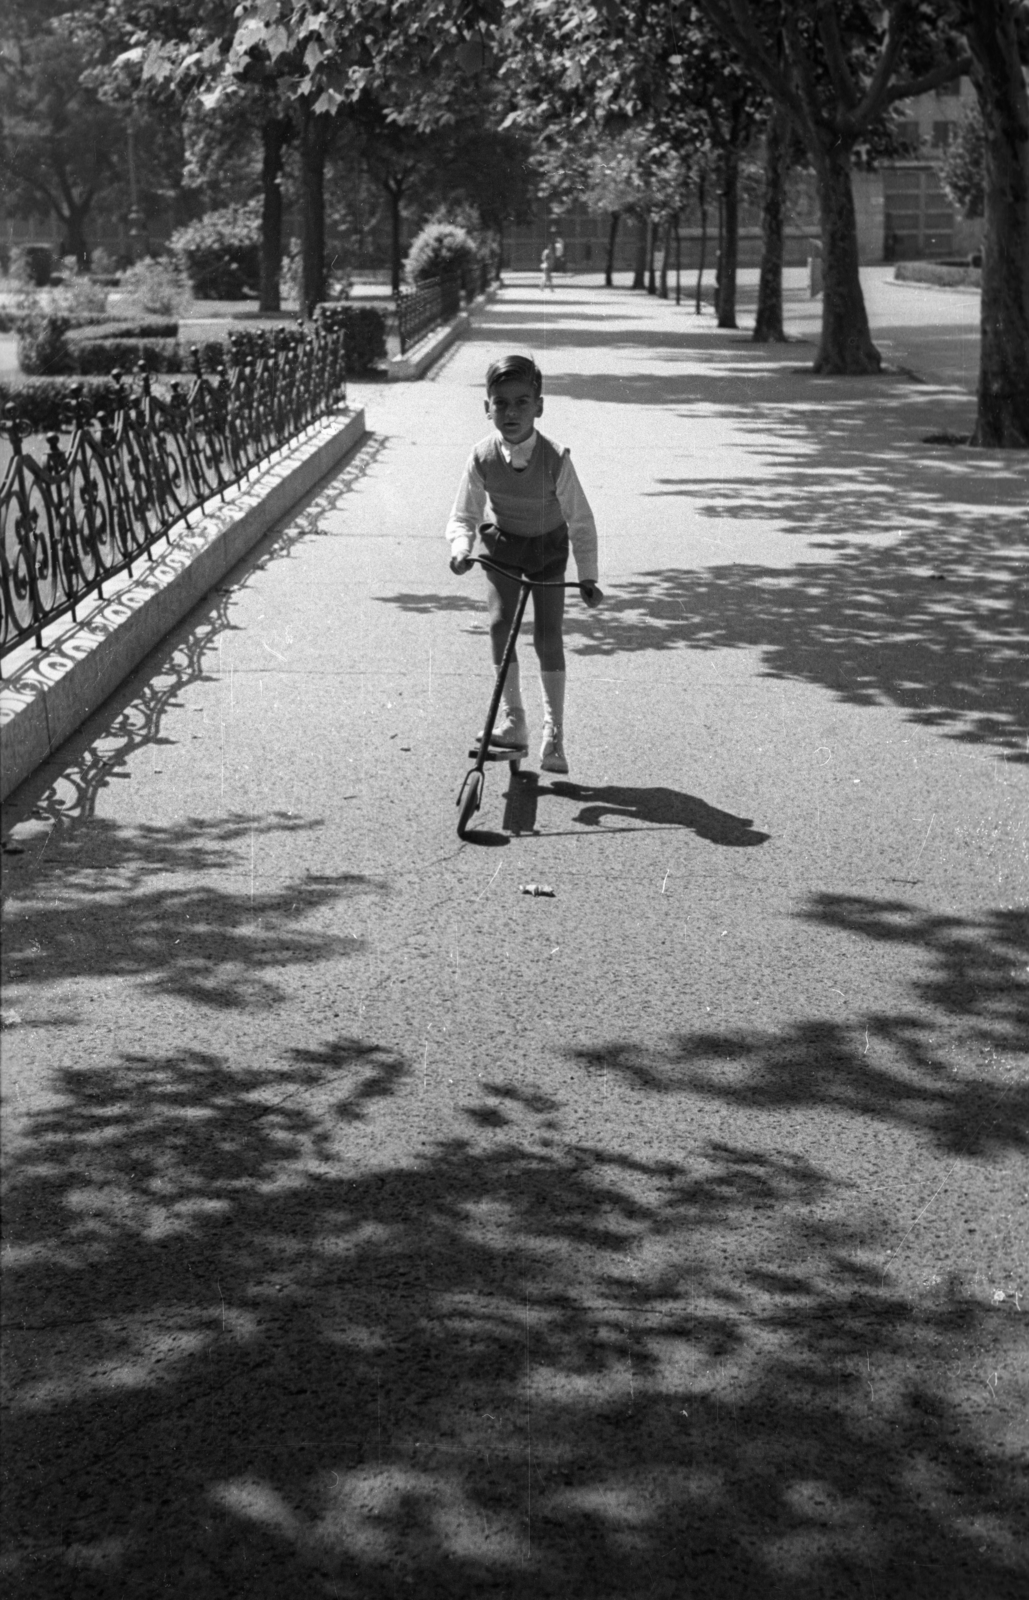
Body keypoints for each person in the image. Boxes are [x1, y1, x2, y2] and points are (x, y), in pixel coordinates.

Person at [446, 354, 602, 775]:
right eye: (501, 403)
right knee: (501, 624)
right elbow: (465, 513)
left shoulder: (555, 459)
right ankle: (514, 718)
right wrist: (461, 548)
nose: (511, 412)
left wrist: (588, 576)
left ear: (539, 406)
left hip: (548, 548)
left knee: (548, 637)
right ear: (487, 407)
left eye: (522, 402)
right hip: (504, 548)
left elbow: (581, 521)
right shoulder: (481, 456)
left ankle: (554, 730)